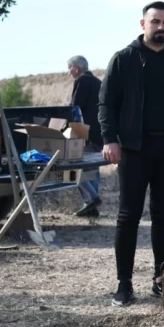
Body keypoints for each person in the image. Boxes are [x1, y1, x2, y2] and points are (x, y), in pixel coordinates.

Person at [99, 2, 164, 307]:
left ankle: (161, 280)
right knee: (128, 215)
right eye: (155, 21)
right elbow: (106, 104)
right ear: (143, 24)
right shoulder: (124, 59)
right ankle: (124, 284)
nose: (161, 27)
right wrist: (110, 140)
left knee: (163, 215)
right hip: (133, 148)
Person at [68, 54, 103, 218]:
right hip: (100, 134)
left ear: (76, 68)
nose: (69, 72)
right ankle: (92, 207)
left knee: (72, 166)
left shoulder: (82, 81)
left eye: (69, 68)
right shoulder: (99, 82)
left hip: (85, 133)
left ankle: (92, 199)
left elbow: (75, 107)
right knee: (93, 170)